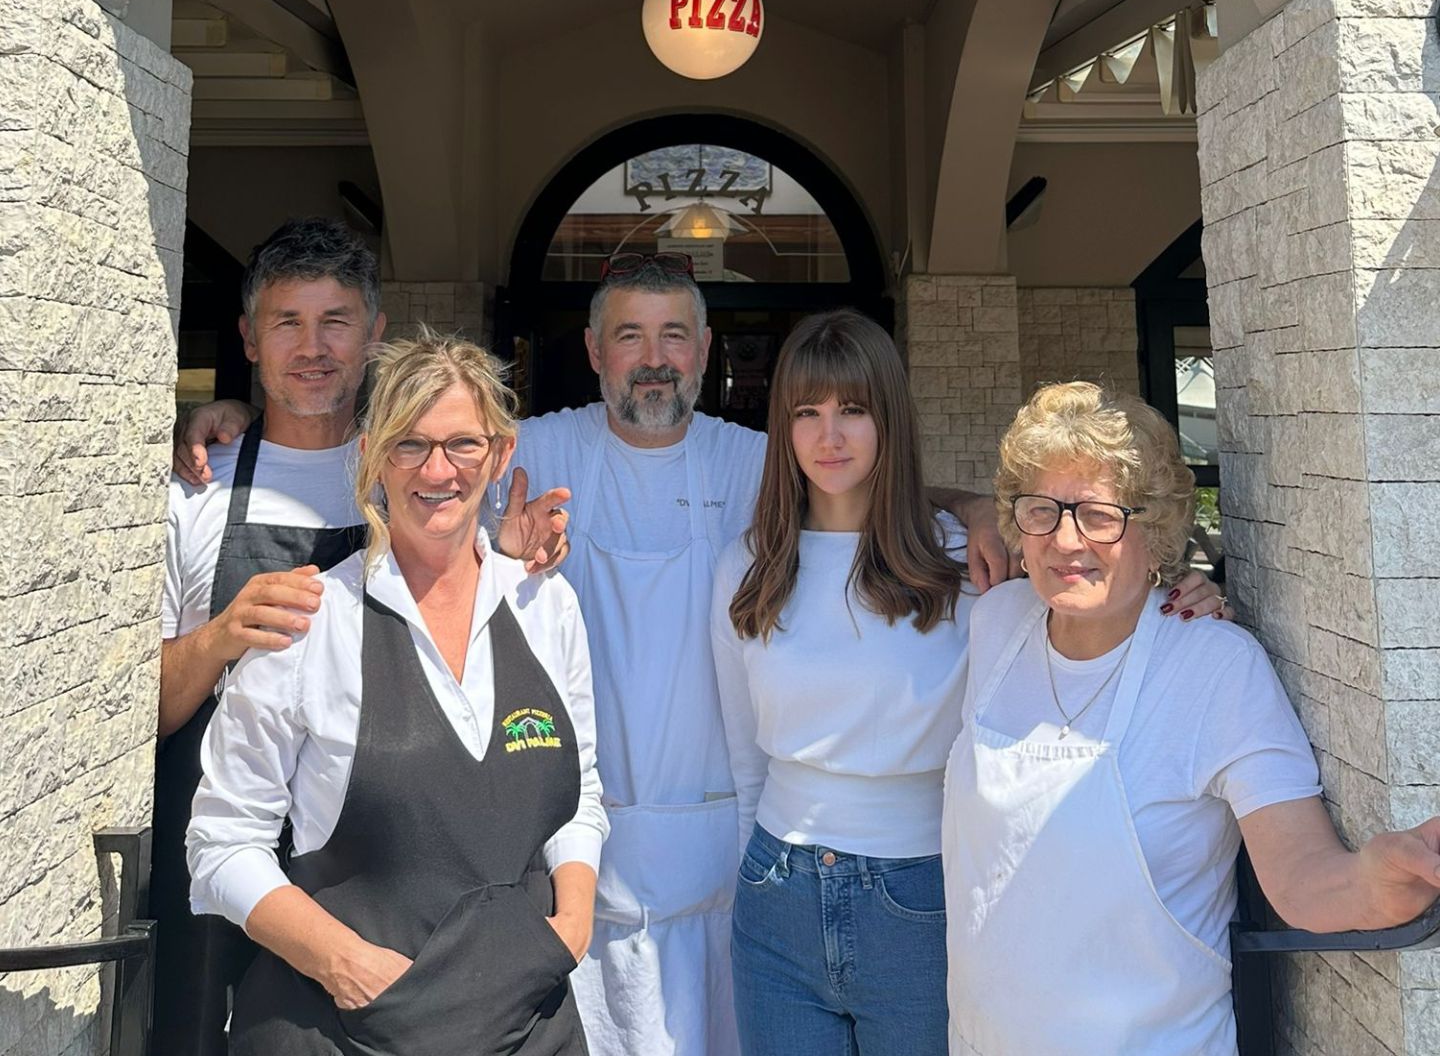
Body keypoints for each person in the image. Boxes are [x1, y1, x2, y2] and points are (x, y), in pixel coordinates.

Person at [176, 258, 1220, 1056]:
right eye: (629, 335)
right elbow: (408, 465)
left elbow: (864, 494)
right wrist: (232, 420)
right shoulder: (532, 452)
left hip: (735, 865)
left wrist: (984, 510)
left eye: (674, 334)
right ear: (594, 352)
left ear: (707, 349)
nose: (654, 357)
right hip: (546, 879)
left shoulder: (758, 462)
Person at [156, 219, 566, 1056]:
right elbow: (142, 714)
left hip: (380, 885)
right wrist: (223, 637)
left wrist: (513, 561)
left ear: (373, 334)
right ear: (249, 339)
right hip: (222, 856)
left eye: (336, 321)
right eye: (287, 322)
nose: (313, 347)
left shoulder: (419, 480)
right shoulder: (194, 488)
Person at [941, 382, 1440, 1056]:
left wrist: (1376, 890)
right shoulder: (997, 621)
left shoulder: (1214, 665)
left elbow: (1300, 872)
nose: (1065, 539)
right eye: (1042, 511)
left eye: (1099, 515)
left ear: (1154, 531)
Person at [710, 311, 971, 1056]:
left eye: (853, 409)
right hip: (775, 896)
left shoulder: (960, 564)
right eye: (807, 413)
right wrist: (751, 880)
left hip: (919, 895)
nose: (830, 436)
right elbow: (744, 760)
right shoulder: (747, 566)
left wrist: (1180, 594)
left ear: (888, 417)